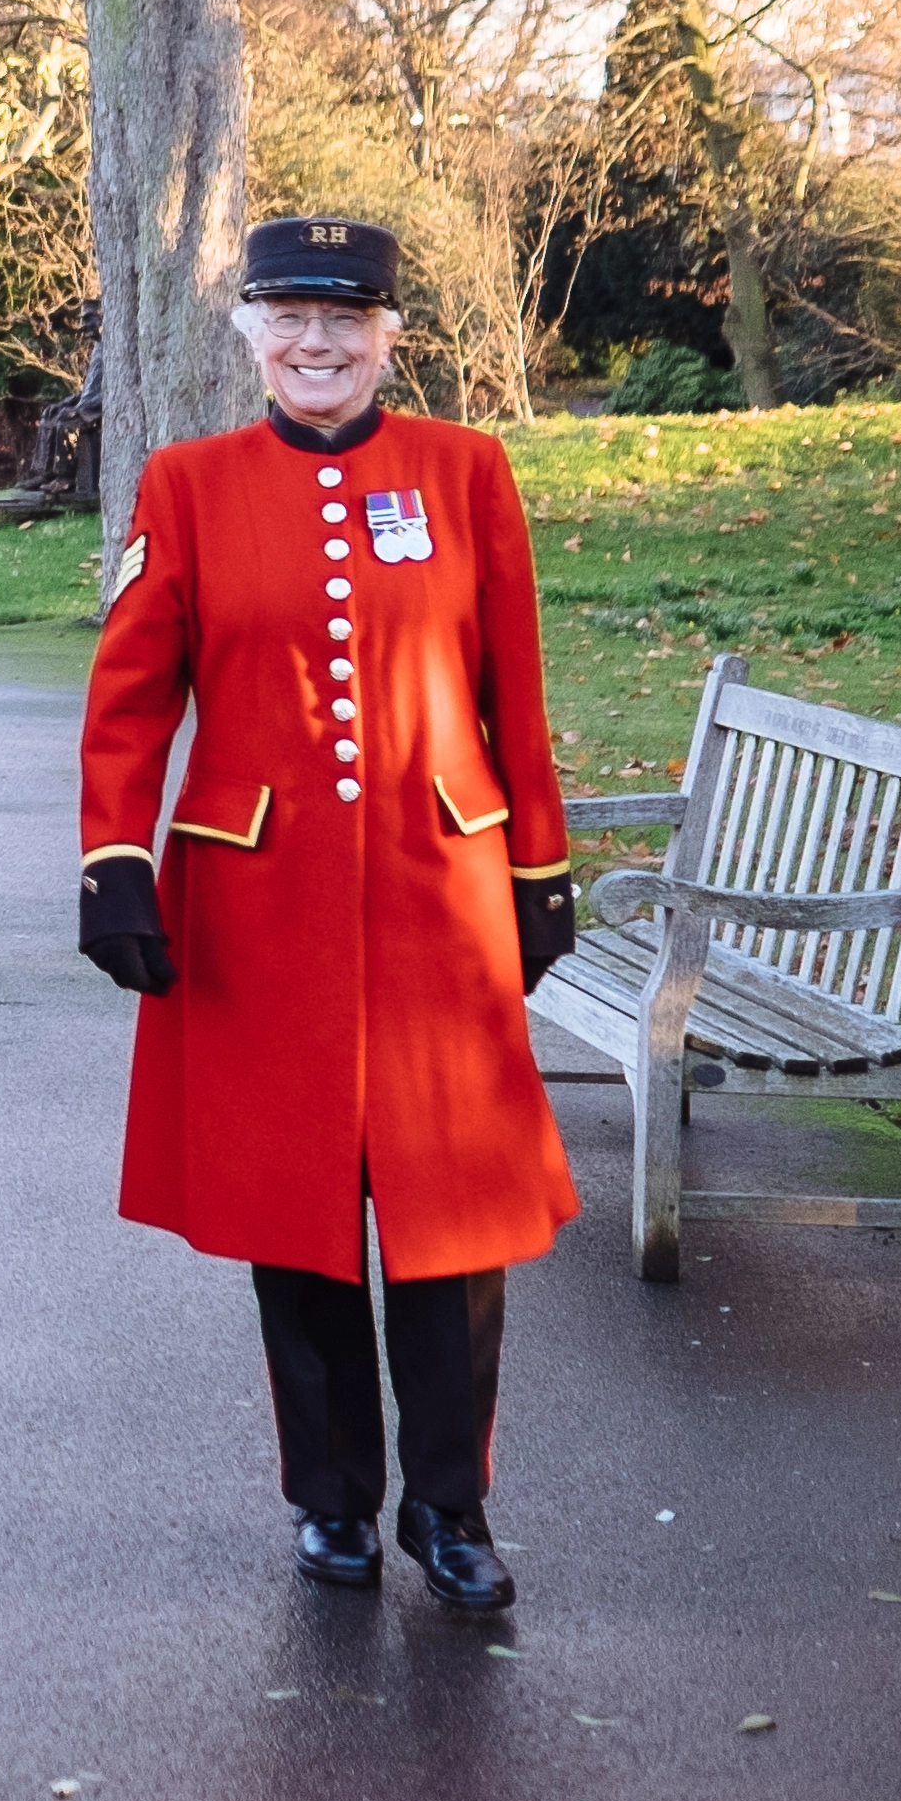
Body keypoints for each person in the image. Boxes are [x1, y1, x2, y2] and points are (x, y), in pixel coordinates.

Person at [73, 216, 581, 1612]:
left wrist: (537, 868)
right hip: (258, 906)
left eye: (346, 321)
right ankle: (334, 1507)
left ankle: (454, 1507)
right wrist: (115, 860)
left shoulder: (467, 474)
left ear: (389, 336)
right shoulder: (186, 486)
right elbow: (132, 698)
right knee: (292, 1224)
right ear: (247, 332)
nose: (317, 344)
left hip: (441, 900)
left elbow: (512, 689)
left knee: (454, 1224)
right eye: (289, 318)